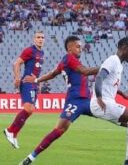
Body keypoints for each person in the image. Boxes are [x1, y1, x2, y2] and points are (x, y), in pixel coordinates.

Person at [20, 35, 101, 163]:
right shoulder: (70, 59)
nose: (80, 49)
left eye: (81, 47)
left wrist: (36, 79)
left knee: (119, 116)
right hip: (75, 101)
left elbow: (53, 74)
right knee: (59, 130)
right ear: (69, 49)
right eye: (78, 46)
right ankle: (31, 157)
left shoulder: (67, 61)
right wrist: (105, 66)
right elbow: (85, 72)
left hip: (88, 101)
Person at [4, 31, 46, 148]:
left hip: (34, 84)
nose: (40, 39)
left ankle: (14, 133)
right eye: (38, 37)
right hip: (27, 82)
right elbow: (16, 64)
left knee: (30, 110)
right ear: (34, 39)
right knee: (28, 109)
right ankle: (10, 130)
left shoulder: (41, 52)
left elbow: (37, 71)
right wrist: (17, 78)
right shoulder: (29, 50)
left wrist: (39, 83)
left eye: (42, 37)